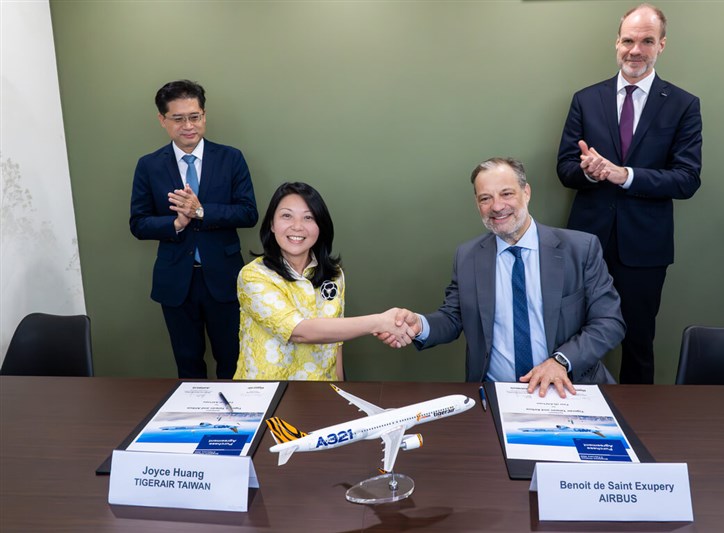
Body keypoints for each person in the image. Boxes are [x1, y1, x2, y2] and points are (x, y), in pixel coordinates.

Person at [382, 158, 625, 397]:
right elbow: (453, 317)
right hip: (495, 393)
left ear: (526, 192)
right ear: (477, 204)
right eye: (485, 198)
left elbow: (609, 322)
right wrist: (420, 326)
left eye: (506, 194)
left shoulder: (580, 248)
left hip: (568, 387)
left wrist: (560, 361)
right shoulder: (468, 256)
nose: (497, 206)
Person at [556, 4, 702, 384]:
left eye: (647, 41)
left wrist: (626, 176)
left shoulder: (684, 105)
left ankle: (640, 430)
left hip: (644, 250)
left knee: (638, 344)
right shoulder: (585, 99)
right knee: (571, 340)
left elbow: (687, 180)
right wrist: (589, 172)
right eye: (628, 40)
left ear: (662, 46)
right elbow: (565, 170)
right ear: (616, 43)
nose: (635, 50)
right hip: (585, 244)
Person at [130, 80, 258, 379]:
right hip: (176, 281)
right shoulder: (149, 166)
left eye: (195, 116)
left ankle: (239, 423)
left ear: (204, 115)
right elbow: (138, 222)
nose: (188, 126)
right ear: (163, 120)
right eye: (178, 118)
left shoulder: (231, 158)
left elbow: (248, 212)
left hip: (224, 277)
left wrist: (199, 211)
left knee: (232, 358)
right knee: (188, 363)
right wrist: (175, 223)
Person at [233, 181, 416, 381]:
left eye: (308, 217)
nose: (297, 226)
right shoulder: (253, 275)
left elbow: (336, 345)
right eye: (286, 216)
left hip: (322, 394)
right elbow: (299, 331)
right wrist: (379, 322)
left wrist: (340, 391)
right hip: (265, 396)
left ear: (321, 226)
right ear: (272, 224)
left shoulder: (334, 274)